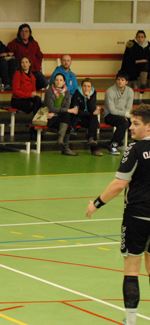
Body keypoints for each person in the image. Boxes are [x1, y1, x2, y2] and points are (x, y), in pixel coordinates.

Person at [85, 104, 150, 325]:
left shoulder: (135, 149)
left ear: (148, 127)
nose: (130, 127)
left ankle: (131, 321)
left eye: (136, 124)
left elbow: (119, 184)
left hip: (137, 216)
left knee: (132, 270)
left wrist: (97, 203)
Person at [44, 73, 78, 156]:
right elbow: (52, 108)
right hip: (50, 118)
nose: (58, 82)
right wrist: (65, 111)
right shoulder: (49, 92)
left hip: (60, 117)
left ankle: (61, 139)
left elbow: (65, 108)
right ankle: (65, 148)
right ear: (54, 81)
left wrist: (58, 112)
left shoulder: (67, 92)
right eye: (56, 80)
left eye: (60, 80)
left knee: (66, 116)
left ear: (64, 82)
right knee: (67, 118)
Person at [7, 23, 47, 90]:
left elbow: (39, 55)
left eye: (26, 31)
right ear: (19, 33)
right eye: (22, 31)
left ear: (29, 33)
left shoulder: (34, 43)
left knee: (45, 82)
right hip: (21, 71)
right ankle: (26, 91)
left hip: (34, 70)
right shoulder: (13, 44)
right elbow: (10, 58)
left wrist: (37, 65)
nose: (24, 33)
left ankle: (28, 90)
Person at [104, 71, 134, 156]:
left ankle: (136, 143)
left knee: (135, 121)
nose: (120, 82)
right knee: (124, 122)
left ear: (126, 82)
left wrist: (126, 115)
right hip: (109, 115)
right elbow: (112, 110)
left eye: (122, 80)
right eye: (118, 79)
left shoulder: (130, 91)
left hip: (124, 114)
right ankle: (113, 146)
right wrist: (125, 115)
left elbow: (129, 107)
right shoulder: (110, 91)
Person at [70, 78, 103, 156]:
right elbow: (76, 111)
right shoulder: (76, 94)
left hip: (88, 117)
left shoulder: (93, 93)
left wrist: (88, 98)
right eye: (84, 86)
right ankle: (94, 148)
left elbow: (92, 108)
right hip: (78, 118)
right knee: (94, 121)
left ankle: (91, 140)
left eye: (88, 86)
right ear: (81, 86)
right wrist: (90, 113)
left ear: (91, 87)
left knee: (93, 120)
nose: (86, 88)